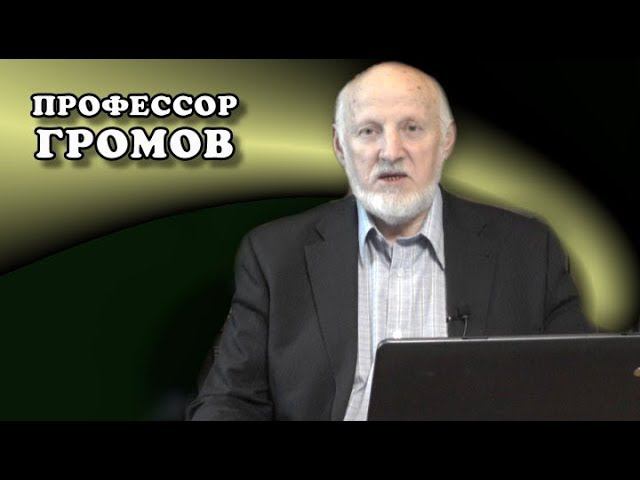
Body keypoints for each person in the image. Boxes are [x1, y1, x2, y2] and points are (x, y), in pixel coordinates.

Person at [186, 62, 592, 421]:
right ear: (340, 146)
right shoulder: (275, 256)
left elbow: (584, 384)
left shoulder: (527, 249)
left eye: (412, 128)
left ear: (446, 140)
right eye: (368, 131)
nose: (391, 151)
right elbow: (227, 401)